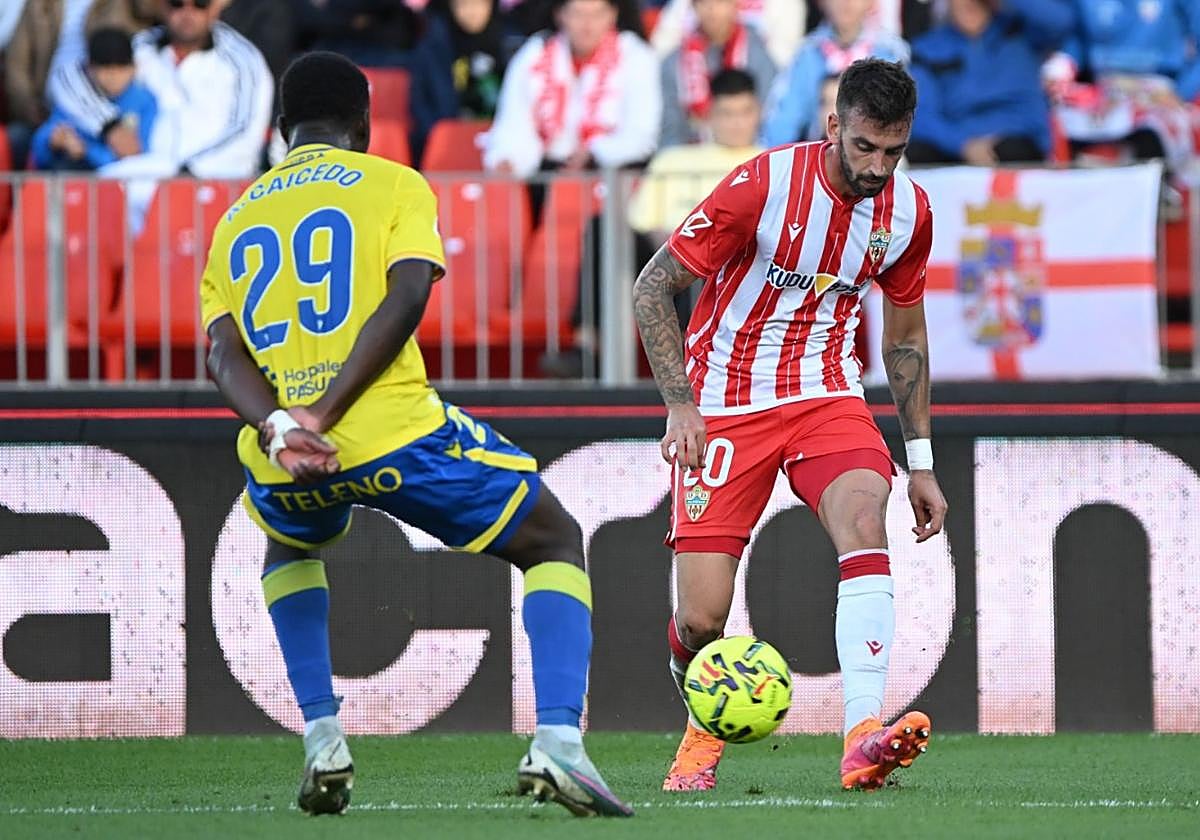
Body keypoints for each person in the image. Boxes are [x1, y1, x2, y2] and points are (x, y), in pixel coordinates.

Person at [199, 51, 632, 819]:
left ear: (280, 128)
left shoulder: (235, 219)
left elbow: (221, 352)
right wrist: (327, 412)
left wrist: (281, 425)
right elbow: (404, 297)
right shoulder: (393, 183)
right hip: (391, 431)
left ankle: (322, 737)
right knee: (553, 539)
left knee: (289, 545)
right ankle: (560, 741)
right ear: (364, 124)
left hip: (283, 453)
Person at [632, 57, 947, 792]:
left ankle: (863, 738)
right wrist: (680, 403)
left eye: (894, 151)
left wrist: (921, 461)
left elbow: (905, 339)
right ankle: (701, 734)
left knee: (866, 517)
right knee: (701, 620)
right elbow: (653, 286)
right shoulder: (764, 185)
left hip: (824, 392)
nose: (877, 167)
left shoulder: (909, 213)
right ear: (834, 126)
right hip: (725, 399)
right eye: (865, 146)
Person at [52, 0, 273, 179]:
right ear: (162, 5)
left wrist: (188, 174)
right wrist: (108, 125)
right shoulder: (141, 49)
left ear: (216, 7)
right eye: (177, 3)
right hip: (143, 180)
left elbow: (245, 130)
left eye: (200, 3)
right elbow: (65, 80)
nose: (187, 13)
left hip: (215, 185)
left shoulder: (243, 60)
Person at [483, 0, 660, 178]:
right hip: (547, 173)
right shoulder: (536, 52)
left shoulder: (636, 55)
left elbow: (641, 135)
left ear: (613, 15)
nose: (587, 25)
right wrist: (510, 159)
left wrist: (596, 152)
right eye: (578, 14)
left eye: (598, 14)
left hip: (613, 175)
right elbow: (514, 122)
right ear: (560, 15)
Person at [907, 0, 1074, 165]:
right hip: (955, 149)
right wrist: (963, 145)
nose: (970, 3)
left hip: (1018, 142)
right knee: (918, 152)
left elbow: (1059, 21)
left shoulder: (1022, 32)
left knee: (1014, 150)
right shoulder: (927, 48)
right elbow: (920, 114)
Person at [762, 0, 909, 147]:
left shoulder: (891, 52)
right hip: (819, 151)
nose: (846, 3)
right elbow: (783, 122)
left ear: (870, 2)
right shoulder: (807, 53)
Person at [31, 26, 157, 171]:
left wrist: (87, 151)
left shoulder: (145, 100)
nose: (113, 77)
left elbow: (137, 156)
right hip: (77, 173)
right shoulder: (75, 96)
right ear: (90, 68)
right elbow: (39, 149)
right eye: (106, 69)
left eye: (121, 68)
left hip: (125, 178)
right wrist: (53, 141)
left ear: (134, 67)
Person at [658, 0, 775, 148]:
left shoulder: (760, 56)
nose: (712, 9)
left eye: (720, 2)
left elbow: (770, 116)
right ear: (693, 7)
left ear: (735, 5)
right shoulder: (674, 62)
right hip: (693, 153)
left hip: (751, 151)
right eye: (703, 2)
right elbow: (671, 126)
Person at [409, 0, 515, 163]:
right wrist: (441, 136)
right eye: (463, 4)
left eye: (479, 4)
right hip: (447, 145)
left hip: (503, 146)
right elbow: (420, 103)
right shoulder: (433, 48)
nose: (471, 12)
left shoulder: (511, 47)